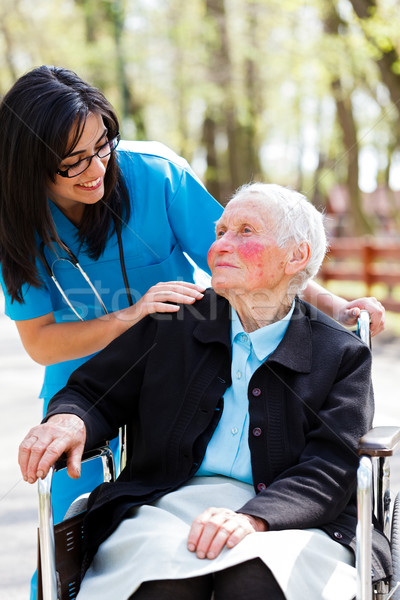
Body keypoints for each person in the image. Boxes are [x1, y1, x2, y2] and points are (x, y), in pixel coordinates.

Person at [19, 183, 391, 600]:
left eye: (245, 231)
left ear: (296, 256)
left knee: (253, 582)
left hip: (298, 519)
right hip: (166, 503)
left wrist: (256, 520)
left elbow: (331, 467)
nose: (220, 246)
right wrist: (69, 418)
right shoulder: (174, 322)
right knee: (165, 584)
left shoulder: (340, 354)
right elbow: (93, 390)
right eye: (219, 233)